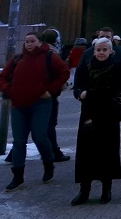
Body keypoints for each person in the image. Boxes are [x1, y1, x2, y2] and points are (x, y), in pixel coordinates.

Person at [0, 32, 69, 192]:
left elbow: (64, 72)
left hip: (40, 104)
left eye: (32, 41)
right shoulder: (17, 59)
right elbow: (2, 77)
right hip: (18, 105)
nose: (28, 44)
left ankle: (48, 163)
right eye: (26, 41)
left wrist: (50, 90)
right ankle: (18, 176)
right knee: (19, 141)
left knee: (39, 136)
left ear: (39, 43)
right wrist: (9, 90)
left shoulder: (49, 56)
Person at [70, 37, 121, 205]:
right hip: (88, 114)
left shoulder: (116, 67)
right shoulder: (86, 66)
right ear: (94, 51)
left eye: (104, 50)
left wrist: (87, 94)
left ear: (111, 51)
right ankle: (84, 190)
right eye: (98, 50)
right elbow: (77, 87)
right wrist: (79, 93)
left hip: (108, 115)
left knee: (107, 152)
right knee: (86, 152)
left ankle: (107, 189)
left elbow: (113, 91)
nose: (101, 53)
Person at [39, 29, 70, 163]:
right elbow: (63, 72)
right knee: (49, 124)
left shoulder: (39, 52)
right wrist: (54, 88)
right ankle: (54, 152)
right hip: (48, 94)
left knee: (33, 124)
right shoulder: (52, 53)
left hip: (38, 93)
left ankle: (13, 153)